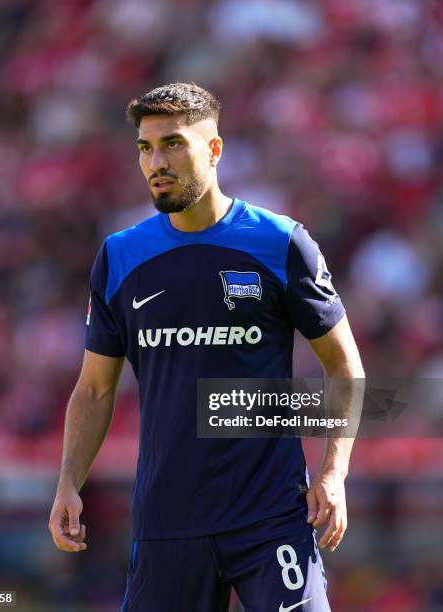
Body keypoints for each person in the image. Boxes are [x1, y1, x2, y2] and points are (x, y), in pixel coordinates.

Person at [49, 82, 365, 611]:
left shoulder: (280, 243)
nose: (156, 162)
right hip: (167, 522)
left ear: (214, 150)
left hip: (271, 517)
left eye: (173, 143)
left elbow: (343, 364)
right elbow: (95, 390)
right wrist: (67, 482)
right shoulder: (120, 258)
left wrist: (334, 472)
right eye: (145, 149)